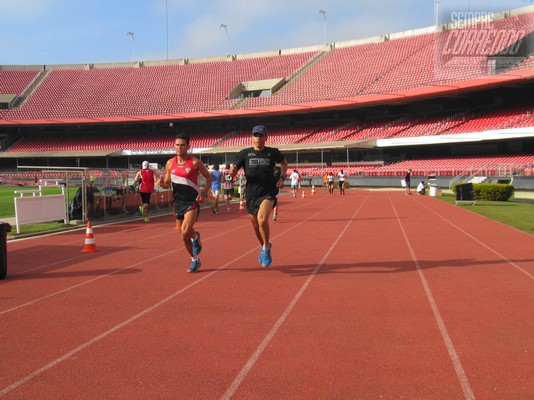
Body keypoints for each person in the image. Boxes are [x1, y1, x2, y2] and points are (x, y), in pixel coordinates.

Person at [230, 125, 288, 267]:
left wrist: (282, 178)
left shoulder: (273, 152)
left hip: (268, 192)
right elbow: (235, 168)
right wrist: (232, 173)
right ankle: (264, 245)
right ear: (252, 137)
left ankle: (265, 249)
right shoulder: (244, 153)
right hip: (251, 194)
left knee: (262, 221)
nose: (258, 138)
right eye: (255, 135)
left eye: (261, 135)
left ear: (266, 138)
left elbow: (284, 163)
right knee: (256, 225)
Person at [157, 134, 212, 273]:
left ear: (188, 146)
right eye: (176, 145)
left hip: (192, 201)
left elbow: (209, 177)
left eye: (182, 145)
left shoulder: (194, 162)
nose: (179, 147)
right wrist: (161, 183)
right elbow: (167, 183)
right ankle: (195, 259)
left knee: (184, 231)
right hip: (178, 202)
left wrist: (204, 192)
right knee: (184, 236)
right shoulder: (170, 163)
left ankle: (194, 236)